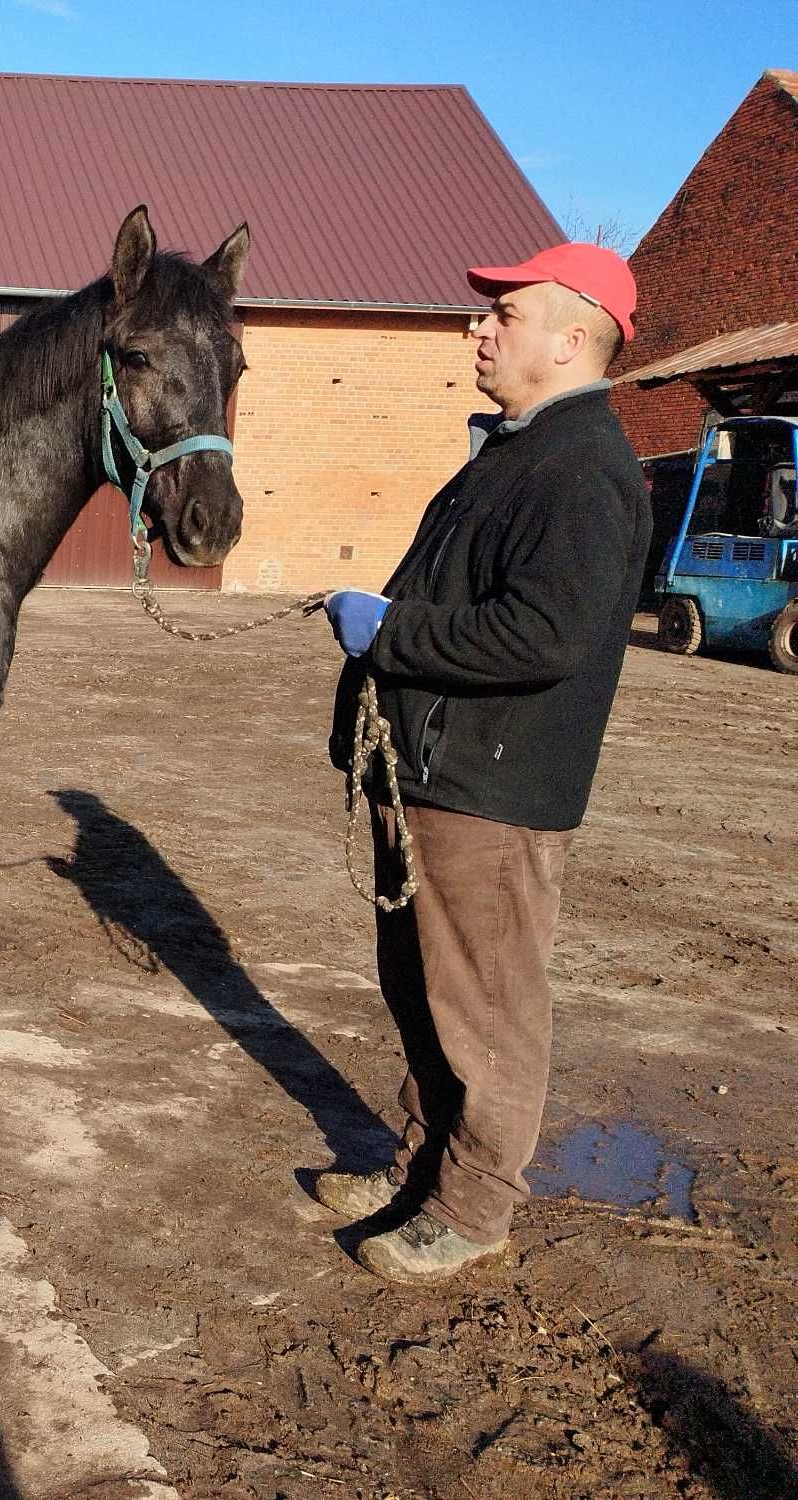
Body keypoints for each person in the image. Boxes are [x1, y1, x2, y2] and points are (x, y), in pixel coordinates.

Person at [314, 242, 650, 1284]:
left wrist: (388, 636)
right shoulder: (513, 453)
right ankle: (418, 1164)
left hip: (489, 795)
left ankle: (470, 1207)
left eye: (502, 314)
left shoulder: (583, 467)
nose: (478, 329)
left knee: (487, 1012)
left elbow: (542, 635)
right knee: (421, 991)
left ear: (569, 334)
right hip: (426, 777)